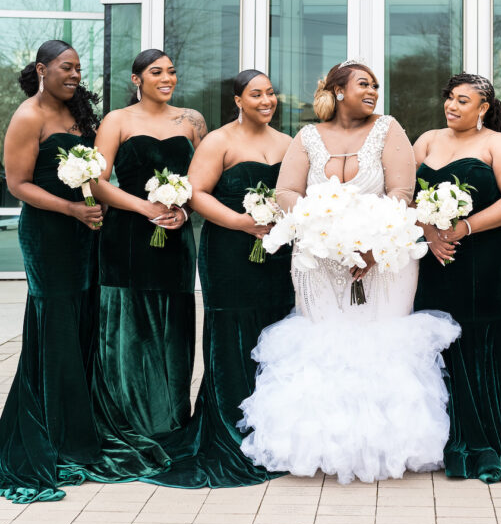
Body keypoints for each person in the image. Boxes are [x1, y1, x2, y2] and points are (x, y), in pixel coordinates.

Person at [240, 60, 460, 483]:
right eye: (364, 84)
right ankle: (323, 444)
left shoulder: (388, 128)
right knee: (326, 341)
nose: (373, 91)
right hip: (318, 259)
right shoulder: (307, 136)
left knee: (380, 340)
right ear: (338, 91)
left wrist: (373, 245)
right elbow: (287, 190)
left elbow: (401, 191)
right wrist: (318, 227)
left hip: (385, 256)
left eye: (376, 85)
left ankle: (386, 447)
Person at [149, 69, 293, 488]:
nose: (266, 100)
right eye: (256, 94)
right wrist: (240, 221)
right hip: (229, 253)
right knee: (231, 333)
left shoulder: (287, 144)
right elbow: (196, 193)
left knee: (274, 332)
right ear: (237, 100)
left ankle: (272, 431)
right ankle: (231, 430)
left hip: (275, 253)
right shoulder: (219, 141)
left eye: (270, 93)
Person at [84, 49, 206, 480]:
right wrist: (144, 207)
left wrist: (183, 211)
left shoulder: (190, 121)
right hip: (127, 237)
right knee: (129, 331)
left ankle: (170, 421)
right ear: (137, 79)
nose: (167, 77)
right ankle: (130, 423)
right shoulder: (116, 120)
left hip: (175, 237)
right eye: (157, 72)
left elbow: (201, 183)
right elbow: (95, 182)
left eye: (172, 71)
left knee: (173, 329)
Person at [413, 73, 501, 482]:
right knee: (435, 331)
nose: (452, 106)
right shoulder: (427, 140)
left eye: (463, 101)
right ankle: (436, 436)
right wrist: (430, 234)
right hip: (433, 255)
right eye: (449, 98)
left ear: (483, 108)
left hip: (485, 256)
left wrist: (463, 228)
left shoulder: (499, 144)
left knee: (479, 333)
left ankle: (489, 432)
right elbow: (407, 194)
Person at [0, 40, 102, 502]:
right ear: (42, 69)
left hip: (84, 232)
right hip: (47, 235)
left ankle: (79, 430)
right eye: (66, 67)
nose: (75, 74)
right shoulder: (28, 116)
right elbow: (17, 184)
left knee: (80, 324)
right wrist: (70, 209)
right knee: (55, 328)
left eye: (79, 68)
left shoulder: (78, 115)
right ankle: (51, 436)